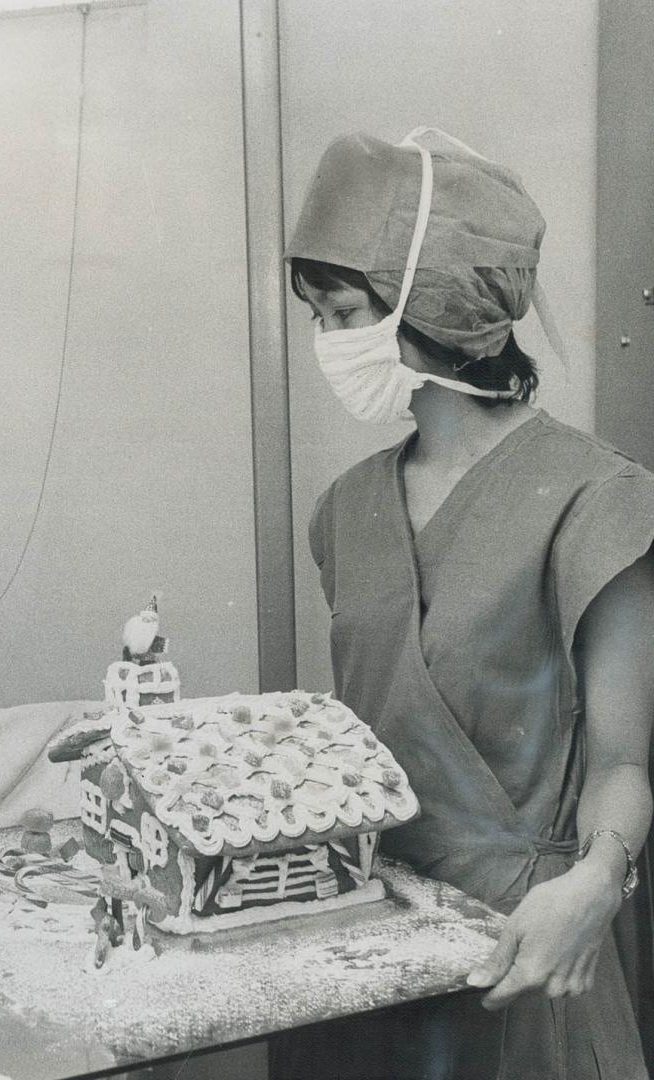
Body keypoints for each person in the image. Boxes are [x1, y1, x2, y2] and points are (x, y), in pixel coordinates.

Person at [271, 128, 654, 1079]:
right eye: (317, 315)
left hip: (521, 944)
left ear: (433, 307)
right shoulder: (346, 510)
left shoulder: (595, 500)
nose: (329, 342)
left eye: (345, 311)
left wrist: (599, 877)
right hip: (360, 939)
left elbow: (621, 764)